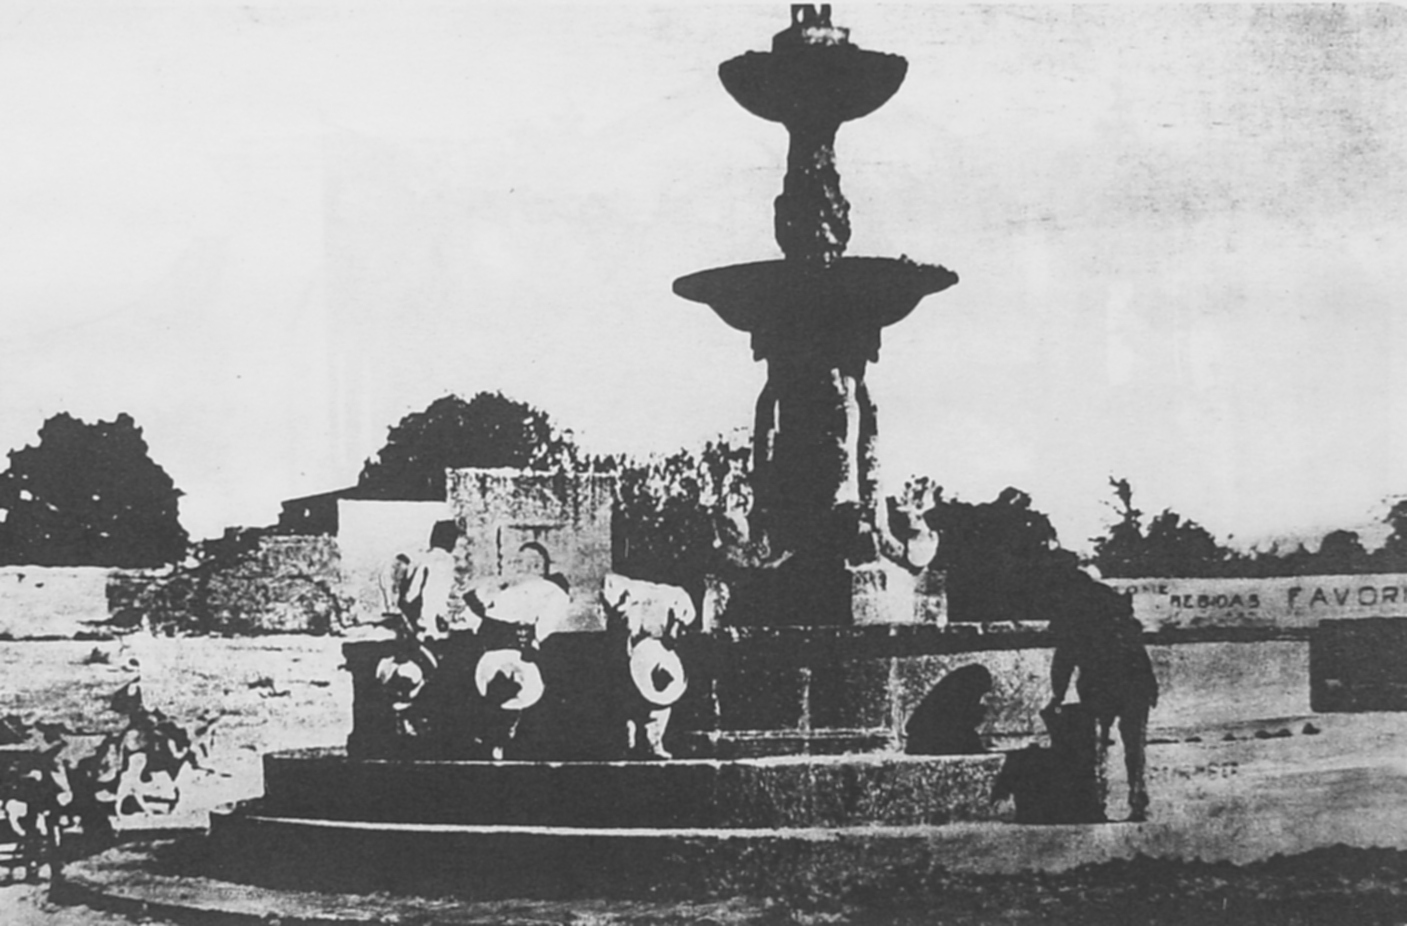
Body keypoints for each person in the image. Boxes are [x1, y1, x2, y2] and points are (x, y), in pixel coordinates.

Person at [1044, 572, 1159, 822]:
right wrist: (1150, 687)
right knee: (1134, 747)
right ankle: (1137, 801)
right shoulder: (1116, 612)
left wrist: (1058, 696)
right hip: (1133, 685)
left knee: (1097, 745)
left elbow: (1063, 660)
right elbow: (1138, 652)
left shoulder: (1074, 614)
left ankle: (1099, 802)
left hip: (1100, 686)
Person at [600, 573, 697, 759]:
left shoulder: (673, 597)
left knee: (649, 700)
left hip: (646, 645)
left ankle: (641, 743)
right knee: (636, 697)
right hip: (637, 642)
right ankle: (636, 742)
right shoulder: (673, 597)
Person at [904, 663, 992, 755]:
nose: (978, 699)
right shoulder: (954, 698)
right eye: (979, 694)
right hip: (930, 740)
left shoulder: (950, 694)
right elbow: (961, 723)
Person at [399, 521, 462, 641]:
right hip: (441, 620)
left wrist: (406, 601)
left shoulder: (424, 558)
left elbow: (412, 592)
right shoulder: (449, 562)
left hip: (424, 621)